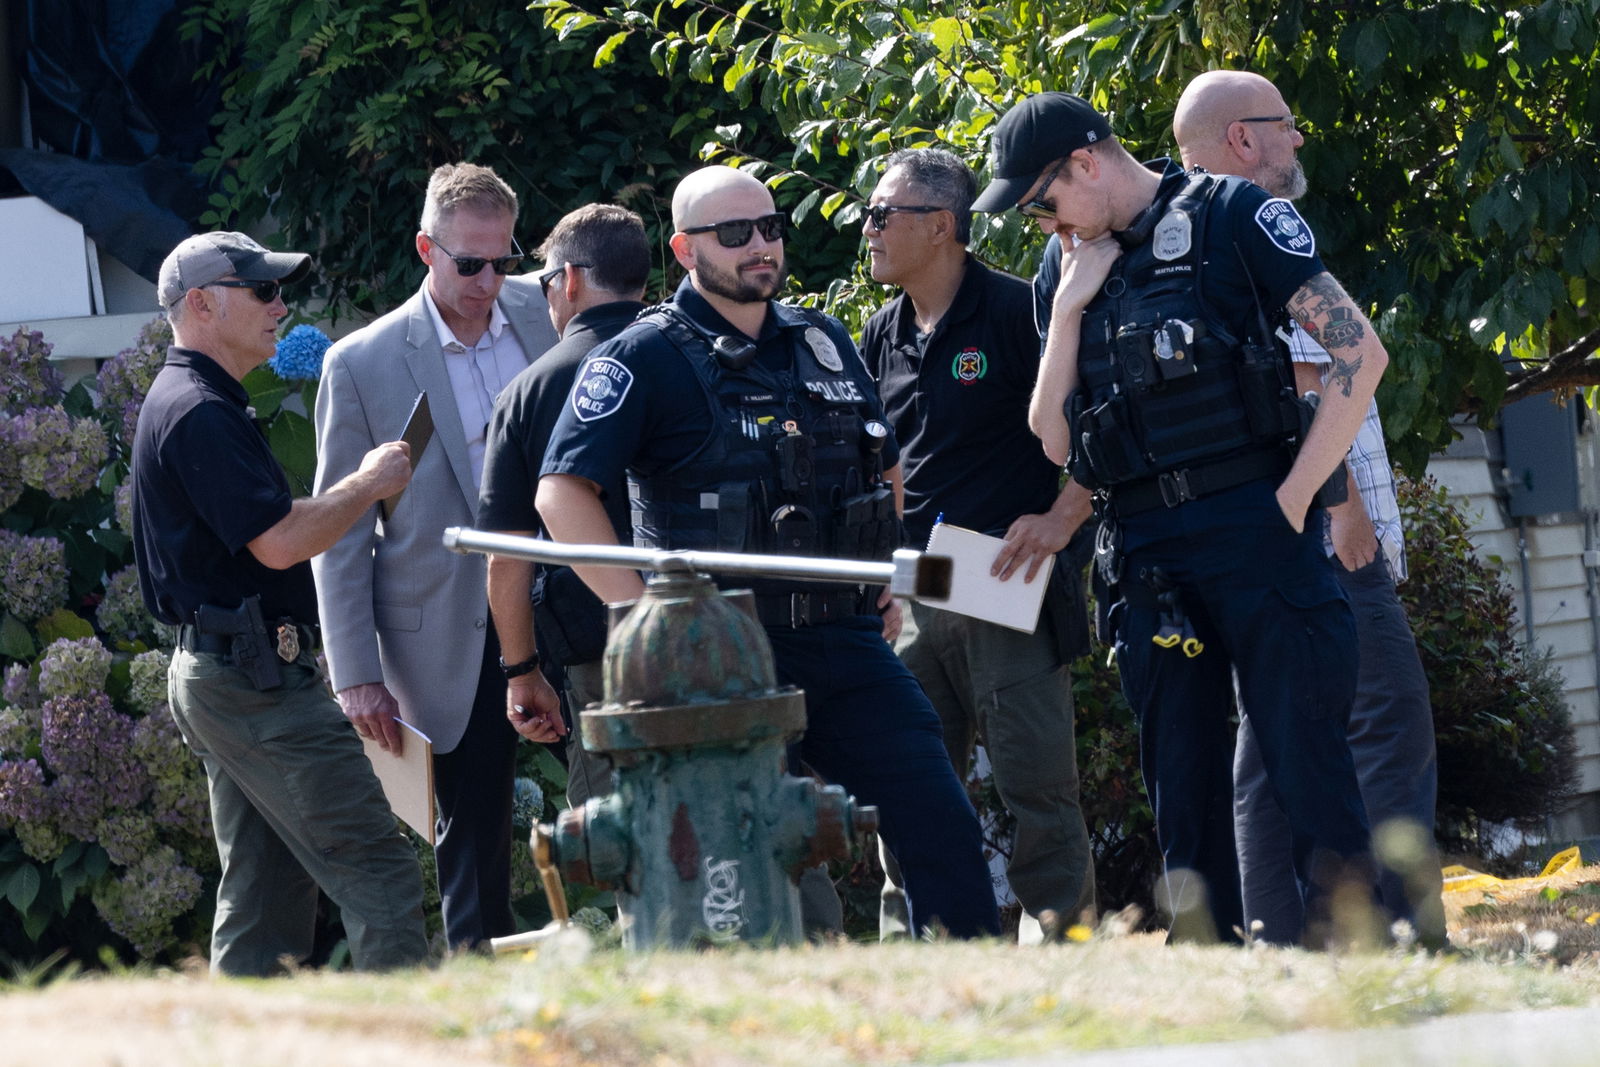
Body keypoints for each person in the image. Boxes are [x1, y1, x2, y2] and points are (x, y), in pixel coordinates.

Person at [535, 165, 1001, 939]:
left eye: (771, 227)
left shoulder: (822, 339)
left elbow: (881, 462)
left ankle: (971, 1016)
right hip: (717, 655)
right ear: (685, 249)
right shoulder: (643, 353)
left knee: (940, 823)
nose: (761, 245)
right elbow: (562, 493)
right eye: (735, 233)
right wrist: (643, 613)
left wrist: (882, 572)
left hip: (844, 639)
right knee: (733, 863)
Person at [979, 92, 1389, 945]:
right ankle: (1212, 971)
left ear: (1085, 163)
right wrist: (1065, 310)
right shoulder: (1064, 271)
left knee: (1309, 764)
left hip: (1256, 526)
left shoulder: (1233, 212)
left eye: (1041, 202)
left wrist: (1294, 497)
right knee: (1184, 780)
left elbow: (1358, 352)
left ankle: (1357, 965)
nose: (1041, 224)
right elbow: (1054, 439)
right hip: (1147, 551)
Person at [1174, 69, 1445, 947]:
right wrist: (1344, 504)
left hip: (1268, 539)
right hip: (1323, 536)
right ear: (1243, 138)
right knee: (1386, 726)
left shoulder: (1187, 233)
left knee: (1268, 752)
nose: (1297, 141)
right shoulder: (1249, 227)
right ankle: (1403, 941)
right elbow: (1285, 386)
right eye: (1285, 126)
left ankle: (1280, 943)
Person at [131, 231, 428, 975]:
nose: (280, 305)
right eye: (262, 291)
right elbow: (280, 542)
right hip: (253, 683)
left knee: (264, 899)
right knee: (378, 871)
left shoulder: (198, 399)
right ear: (202, 304)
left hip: (231, 671)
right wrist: (367, 483)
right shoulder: (198, 408)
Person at [312, 163, 560, 951]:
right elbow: (343, 528)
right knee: (472, 838)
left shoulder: (547, 313)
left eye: (504, 260)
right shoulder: (362, 362)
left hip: (565, 594)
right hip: (446, 627)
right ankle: (477, 999)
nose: (490, 280)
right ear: (426, 248)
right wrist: (355, 671)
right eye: (469, 263)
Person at [857, 147, 1095, 940]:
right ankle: (921, 959)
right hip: (916, 582)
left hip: (1001, 577)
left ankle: (1072, 956)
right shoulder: (879, 333)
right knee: (909, 786)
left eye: (883, 213)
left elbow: (1096, 426)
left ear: (943, 226)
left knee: (1038, 789)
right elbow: (875, 464)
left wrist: (1062, 516)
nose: (870, 229)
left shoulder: (1014, 310)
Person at [478, 203, 650, 806]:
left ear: (570, 280)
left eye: (547, 282)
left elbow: (507, 556)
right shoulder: (698, 355)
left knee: (629, 857)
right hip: (731, 639)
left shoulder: (531, 389)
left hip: (609, 665)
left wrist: (520, 671)